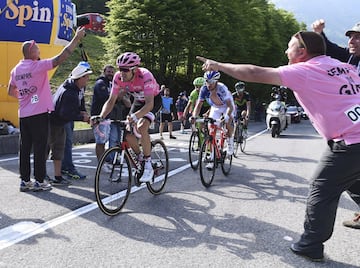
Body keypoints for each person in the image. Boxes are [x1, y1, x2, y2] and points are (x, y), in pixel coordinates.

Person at [196, 31, 360, 262]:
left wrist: (220, 65)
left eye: (289, 47)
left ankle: (311, 244)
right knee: (352, 179)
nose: (286, 51)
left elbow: (254, 72)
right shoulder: (342, 66)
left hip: (350, 141)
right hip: (354, 140)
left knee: (321, 190)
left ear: (301, 52)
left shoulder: (304, 70)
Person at [7, 26, 86, 192]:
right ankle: (40, 181)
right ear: (31, 52)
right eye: (37, 48)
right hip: (39, 113)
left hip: (24, 113)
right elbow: (61, 57)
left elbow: (10, 91)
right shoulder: (37, 66)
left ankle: (25, 181)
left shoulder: (16, 69)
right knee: (40, 147)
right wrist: (76, 39)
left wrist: (25, 96)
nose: (39, 49)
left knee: (25, 147)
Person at [312, 19, 360, 229]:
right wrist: (319, 34)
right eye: (350, 35)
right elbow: (331, 50)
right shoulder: (352, 58)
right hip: (354, 131)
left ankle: (311, 241)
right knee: (352, 177)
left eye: (357, 37)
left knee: (332, 178)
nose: (352, 40)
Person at [97, 52, 162, 183]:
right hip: (138, 101)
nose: (121, 73)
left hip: (152, 100)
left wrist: (135, 116)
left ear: (134, 69)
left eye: (125, 70)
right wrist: (101, 116)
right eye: (120, 69)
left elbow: (149, 104)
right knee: (127, 134)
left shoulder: (145, 76)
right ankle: (140, 158)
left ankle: (148, 163)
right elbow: (111, 101)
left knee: (142, 126)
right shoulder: (118, 78)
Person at [48, 62, 92, 185]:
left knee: (59, 149)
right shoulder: (69, 92)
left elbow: (80, 101)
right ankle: (41, 176)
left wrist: (82, 112)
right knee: (48, 148)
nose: (88, 79)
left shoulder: (77, 88)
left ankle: (58, 176)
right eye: (86, 76)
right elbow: (65, 113)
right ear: (80, 77)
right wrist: (82, 118)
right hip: (53, 121)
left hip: (60, 122)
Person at [190, 71, 235, 156]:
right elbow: (198, 105)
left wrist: (226, 116)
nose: (208, 84)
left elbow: (230, 106)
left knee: (227, 123)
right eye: (207, 81)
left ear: (216, 81)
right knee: (211, 128)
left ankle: (230, 143)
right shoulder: (204, 89)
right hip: (215, 106)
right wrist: (194, 116)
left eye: (211, 82)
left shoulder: (222, 88)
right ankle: (211, 154)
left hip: (227, 106)